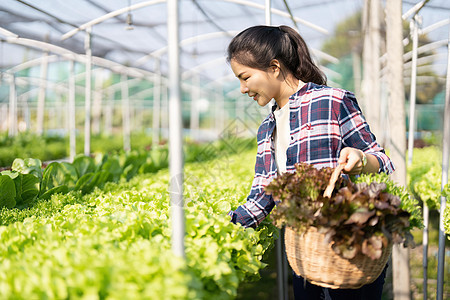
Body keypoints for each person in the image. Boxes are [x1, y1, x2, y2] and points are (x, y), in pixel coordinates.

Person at [226, 25, 395, 300]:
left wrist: (361, 159)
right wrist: (225, 226)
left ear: (274, 67)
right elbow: (261, 195)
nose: (243, 88)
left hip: (349, 251)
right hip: (306, 255)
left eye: (245, 77)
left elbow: (383, 161)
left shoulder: (333, 101)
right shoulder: (266, 129)